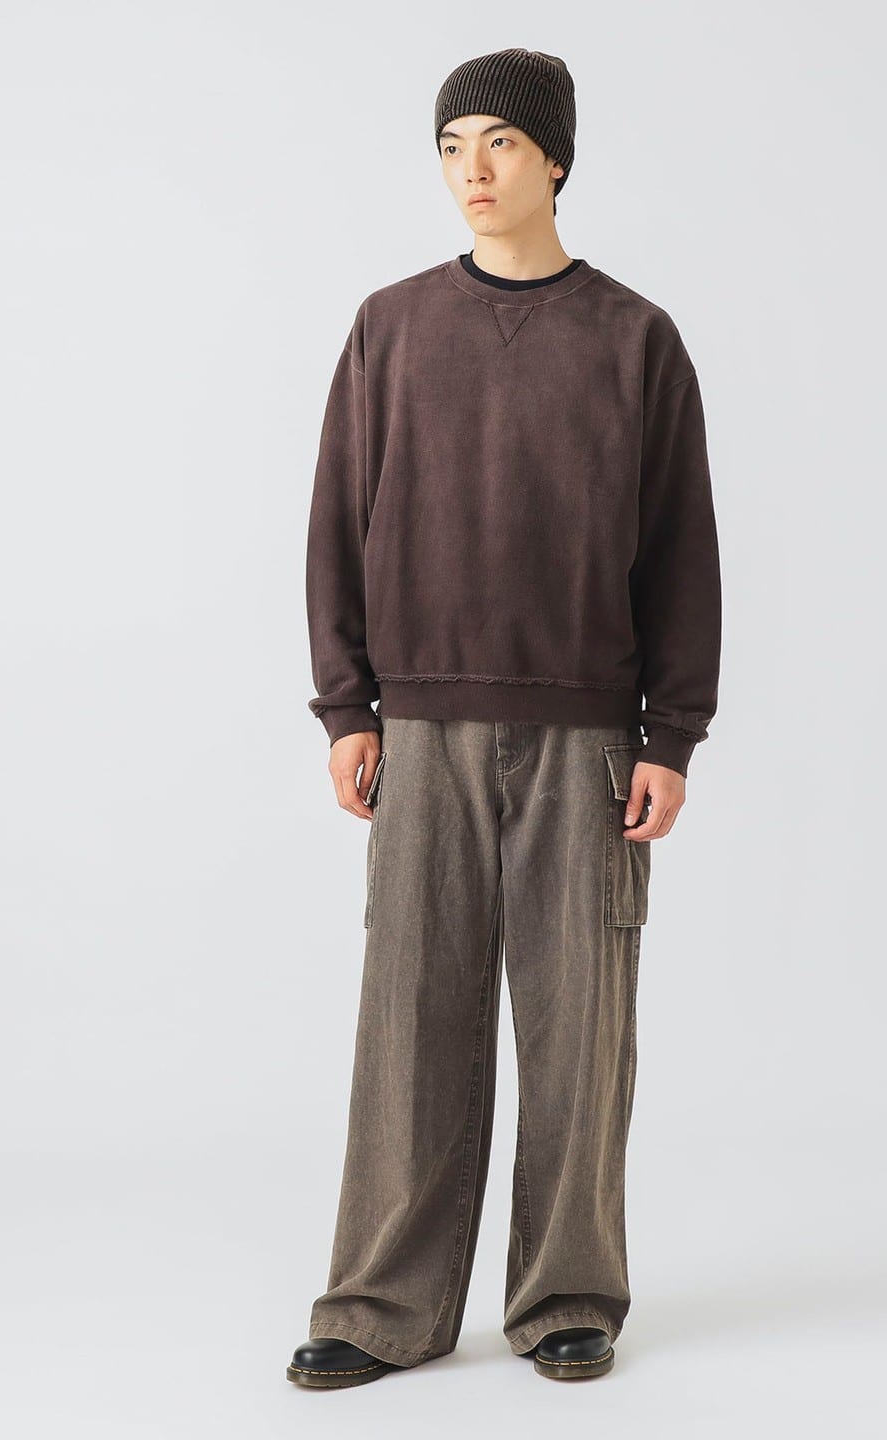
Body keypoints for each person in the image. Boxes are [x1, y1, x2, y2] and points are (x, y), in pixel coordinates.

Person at [286, 47, 722, 1388]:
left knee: (580, 1028)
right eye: (451, 147)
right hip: (420, 734)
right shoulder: (390, 328)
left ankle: (568, 1295)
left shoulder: (636, 340)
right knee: (410, 1024)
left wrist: (669, 735)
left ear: (555, 161)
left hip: (590, 741)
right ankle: (380, 1306)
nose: (471, 173)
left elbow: (682, 553)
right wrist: (348, 706)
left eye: (500, 145)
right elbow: (335, 528)